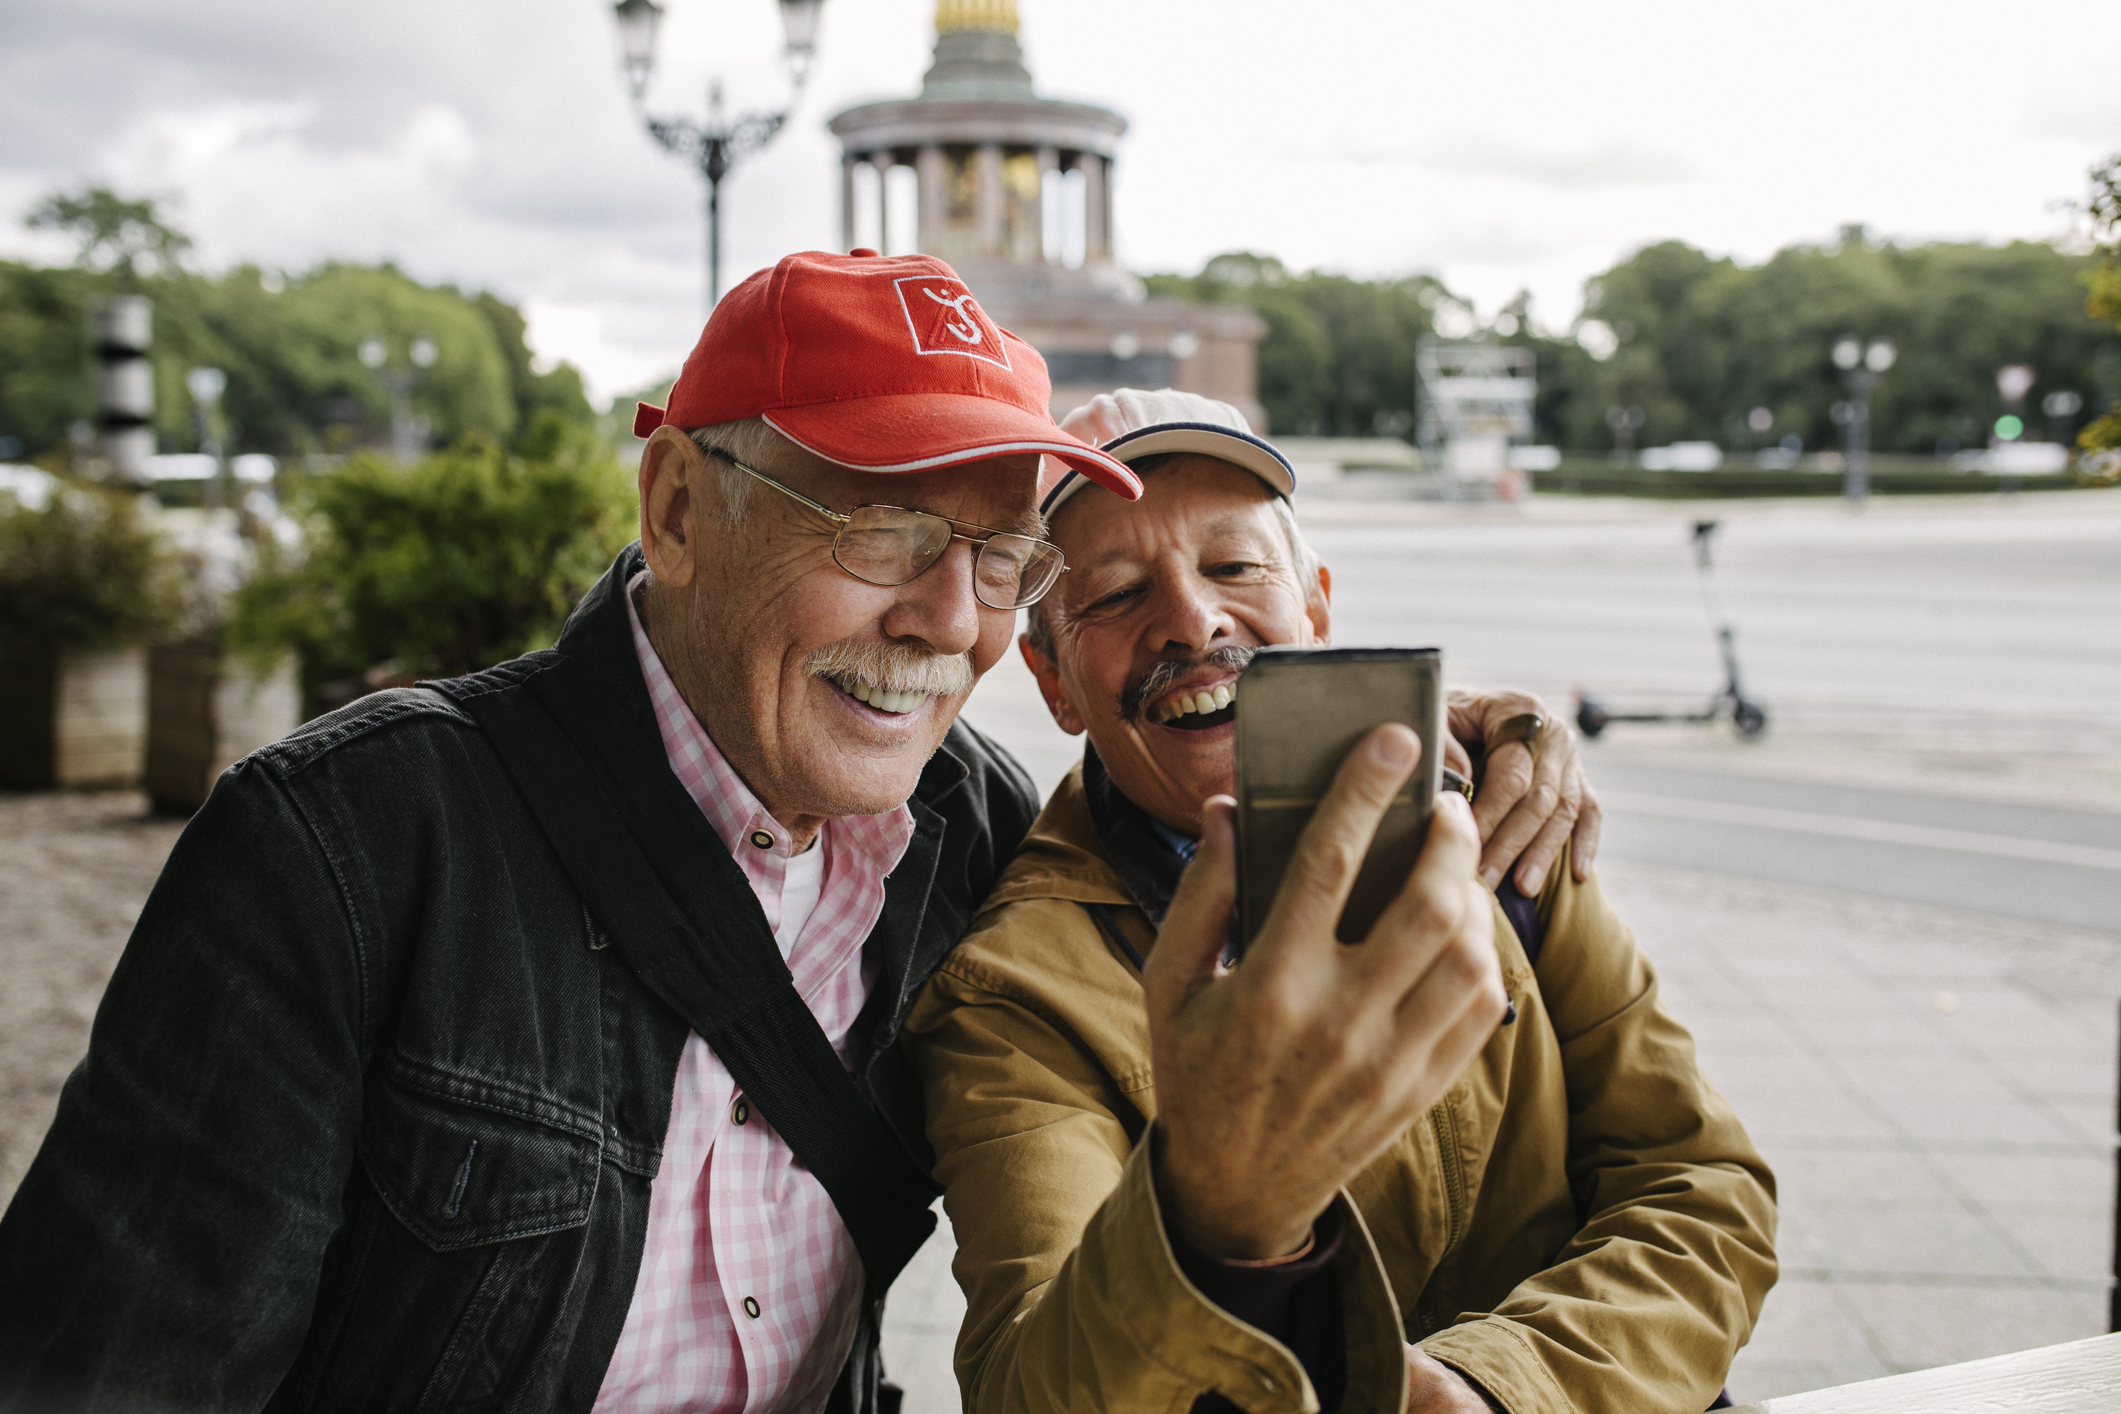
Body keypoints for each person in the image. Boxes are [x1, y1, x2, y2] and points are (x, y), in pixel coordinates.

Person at [0, 263, 1587, 1414]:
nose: (945, 621)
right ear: (678, 510)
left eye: (999, 557)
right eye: (886, 528)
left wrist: (1458, 737)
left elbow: (1167, 809)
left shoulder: (970, 839)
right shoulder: (349, 851)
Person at [902, 390, 1779, 1414]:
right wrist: (1212, 1208)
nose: (1191, 619)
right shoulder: (1013, 992)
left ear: (1315, 610)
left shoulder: (1493, 820)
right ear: (1054, 681)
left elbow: (1701, 1188)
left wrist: (1498, 1386)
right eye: (1116, 593)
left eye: (1235, 568)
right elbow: (1032, 1386)